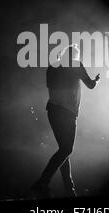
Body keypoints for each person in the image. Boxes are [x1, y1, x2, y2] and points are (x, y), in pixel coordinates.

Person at [31, 44, 100, 198]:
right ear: (75, 55)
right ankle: (42, 182)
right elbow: (90, 85)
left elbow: (52, 87)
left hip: (53, 111)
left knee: (64, 150)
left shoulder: (52, 67)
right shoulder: (76, 65)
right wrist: (96, 80)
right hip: (67, 113)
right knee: (66, 149)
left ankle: (69, 190)